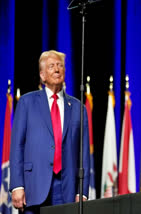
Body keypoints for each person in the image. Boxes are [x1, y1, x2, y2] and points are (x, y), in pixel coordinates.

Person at [9, 50, 90, 214]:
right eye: (52, 66)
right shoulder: (26, 102)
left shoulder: (77, 108)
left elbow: (84, 154)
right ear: (42, 75)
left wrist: (82, 191)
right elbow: (17, 146)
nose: (57, 69)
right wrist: (17, 185)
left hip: (66, 188)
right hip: (34, 185)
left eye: (60, 66)